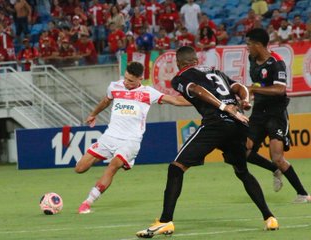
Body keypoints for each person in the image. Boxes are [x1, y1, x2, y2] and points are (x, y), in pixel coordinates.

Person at [136, 46, 279, 238]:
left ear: (179, 63)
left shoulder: (180, 77)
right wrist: (245, 101)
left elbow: (195, 89)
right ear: (196, 59)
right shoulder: (215, 71)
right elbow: (239, 87)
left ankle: (164, 221)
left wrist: (222, 106)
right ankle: (269, 218)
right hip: (238, 124)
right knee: (242, 171)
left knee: (176, 168)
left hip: (216, 124)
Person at [75, 61, 191, 214]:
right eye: (125, 78)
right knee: (80, 168)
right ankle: (125, 160)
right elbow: (105, 101)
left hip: (131, 140)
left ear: (140, 79)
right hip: (110, 137)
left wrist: (200, 101)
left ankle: (87, 202)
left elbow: (175, 100)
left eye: (130, 80)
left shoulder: (148, 93)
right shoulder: (114, 86)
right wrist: (93, 114)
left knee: (112, 166)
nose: (126, 82)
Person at [245, 28, 311, 202]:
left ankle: (303, 194)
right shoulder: (252, 59)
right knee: (244, 151)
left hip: (276, 114)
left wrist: (254, 89)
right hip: (258, 113)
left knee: (278, 157)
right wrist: (247, 98)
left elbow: (280, 89)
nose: (247, 48)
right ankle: (274, 170)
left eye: (249, 44)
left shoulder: (277, 63)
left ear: (258, 45)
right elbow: (257, 84)